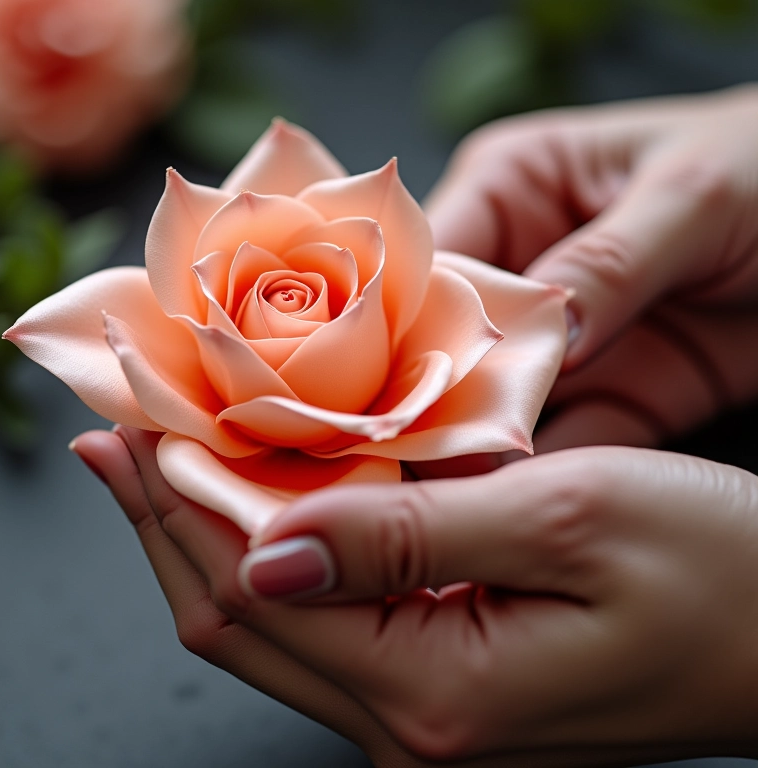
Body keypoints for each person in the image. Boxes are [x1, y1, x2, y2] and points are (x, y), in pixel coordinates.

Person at [70, 85, 758, 766]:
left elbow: (508, 336)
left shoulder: (467, 353)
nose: (291, 302)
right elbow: (88, 338)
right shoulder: (137, 348)